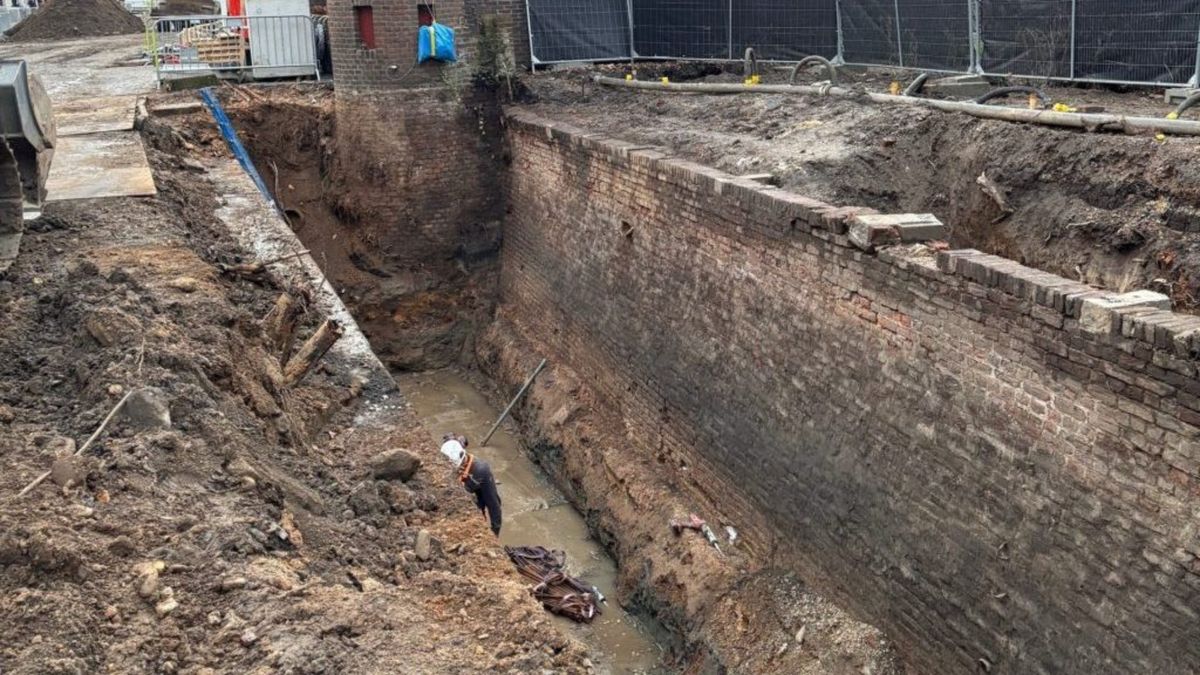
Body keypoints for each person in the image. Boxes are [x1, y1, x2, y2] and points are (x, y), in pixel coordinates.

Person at [440, 433, 502, 536]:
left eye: (459, 468)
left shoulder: (481, 471)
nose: (457, 471)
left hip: (475, 501)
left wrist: (494, 533)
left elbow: (494, 506)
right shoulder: (450, 448)